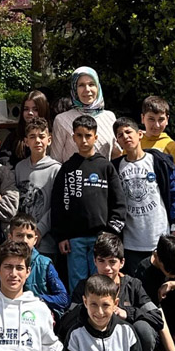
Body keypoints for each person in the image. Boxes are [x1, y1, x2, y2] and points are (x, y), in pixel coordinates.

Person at [65, 233, 160, 351]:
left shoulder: (133, 285)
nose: (107, 268)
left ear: (122, 263)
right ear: (94, 261)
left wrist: (127, 313)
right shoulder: (84, 286)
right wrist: (88, 309)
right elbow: (65, 323)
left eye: (112, 262)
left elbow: (156, 317)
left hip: (126, 349)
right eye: (101, 261)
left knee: (144, 329)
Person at [51, 114, 125, 292]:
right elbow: (58, 204)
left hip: (102, 238)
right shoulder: (67, 168)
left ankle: (102, 316)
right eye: (79, 135)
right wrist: (61, 236)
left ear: (96, 137)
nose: (84, 140)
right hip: (74, 239)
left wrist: (112, 232)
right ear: (73, 137)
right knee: (77, 284)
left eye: (88, 136)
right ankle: (77, 316)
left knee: (101, 282)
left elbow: (119, 202)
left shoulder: (106, 167)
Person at [112, 116, 175, 275]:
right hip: (131, 243)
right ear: (117, 141)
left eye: (128, 132)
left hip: (160, 238)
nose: (125, 136)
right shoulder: (115, 167)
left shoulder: (159, 161)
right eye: (120, 135)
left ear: (140, 134)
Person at [14, 116, 61, 259]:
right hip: (22, 240)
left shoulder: (56, 169)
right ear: (26, 142)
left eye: (42, 136)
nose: (38, 141)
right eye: (32, 137)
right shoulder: (19, 167)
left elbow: (57, 206)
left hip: (46, 242)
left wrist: (39, 230)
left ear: (49, 139)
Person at [139, 96, 175, 221]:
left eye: (161, 119)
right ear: (142, 118)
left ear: (167, 120)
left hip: (165, 211)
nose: (156, 125)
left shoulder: (172, 146)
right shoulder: (134, 142)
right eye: (151, 119)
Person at [50, 67, 119, 162]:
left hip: (103, 176)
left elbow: (116, 154)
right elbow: (55, 160)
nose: (87, 89)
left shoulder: (109, 117)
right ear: (75, 89)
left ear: (97, 87)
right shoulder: (61, 120)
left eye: (91, 84)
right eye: (81, 85)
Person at [8, 214, 68, 317]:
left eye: (29, 236)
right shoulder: (3, 263)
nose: (25, 240)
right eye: (19, 235)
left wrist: (35, 298)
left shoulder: (44, 264)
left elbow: (63, 298)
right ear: (10, 237)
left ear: (35, 240)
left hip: (38, 315)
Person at [0, 90, 51, 168]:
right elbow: (3, 157)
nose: (30, 113)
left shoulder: (52, 134)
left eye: (35, 109)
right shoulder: (15, 135)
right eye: (26, 109)